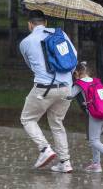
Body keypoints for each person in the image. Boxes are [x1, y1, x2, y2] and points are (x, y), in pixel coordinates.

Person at [19, 10, 77, 173]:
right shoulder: (61, 34)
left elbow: (31, 65)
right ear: (45, 22)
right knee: (57, 123)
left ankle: (45, 149)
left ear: (30, 24)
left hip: (44, 88)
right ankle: (65, 162)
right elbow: (74, 58)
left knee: (27, 119)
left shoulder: (25, 42)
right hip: (67, 88)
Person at [66, 62, 103, 173]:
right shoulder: (97, 81)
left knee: (93, 141)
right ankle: (96, 164)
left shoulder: (79, 84)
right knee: (96, 139)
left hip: (96, 115)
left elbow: (69, 96)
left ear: (77, 73)